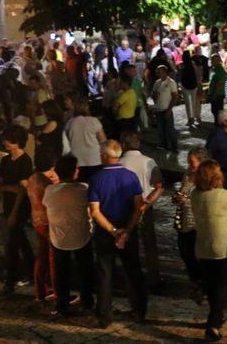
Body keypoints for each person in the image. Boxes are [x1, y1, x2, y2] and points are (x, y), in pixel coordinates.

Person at [87, 139, 147, 328]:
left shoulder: (96, 179)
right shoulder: (130, 177)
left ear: (105, 156)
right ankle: (139, 309)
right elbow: (138, 208)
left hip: (106, 231)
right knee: (133, 269)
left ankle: (104, 314)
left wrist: (113, 231)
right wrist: (127, 230)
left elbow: (95, 211)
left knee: (105, 272)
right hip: (127, 229)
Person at [191, 159, 227, 342]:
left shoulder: (195, 195)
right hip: (222, 244)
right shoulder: (225, 195)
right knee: (221, 285)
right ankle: (212, 325)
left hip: (202, 245)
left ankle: (217, 317)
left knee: (211, 284)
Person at [43, 154, 95, 317]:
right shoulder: (83, 189)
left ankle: (62, 304)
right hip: (82, 235)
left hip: (59, 237)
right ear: (75, 172)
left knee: (61, 273)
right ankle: (87, 302)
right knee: (85, 270)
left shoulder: (50, 190)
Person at [120, 131, 164, 287]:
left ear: (123, 145)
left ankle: (132, 277)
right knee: (149, 243)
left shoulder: (119, 163)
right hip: (144, 207)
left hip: (125, 208)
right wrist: (147, 202)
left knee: (129, 244)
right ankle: (154, 277)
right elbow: (159, 186)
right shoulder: (149, 162)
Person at [0, 125, 35, 293]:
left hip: (19, 205)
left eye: (8, 139)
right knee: (19, 239)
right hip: (7, 202)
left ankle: (11, 279)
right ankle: (31, 269)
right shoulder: (6, 160)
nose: (5, 142)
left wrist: (13, 212)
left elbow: (22, 189)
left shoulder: (25, 161)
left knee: (14, 241)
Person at [174, 146, 207, 303]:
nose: (189, 164)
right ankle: (196, 281)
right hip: (185, 220)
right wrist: (178, 197)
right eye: (188, 161)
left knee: (198, 255)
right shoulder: (187, 173)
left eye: (192, 162)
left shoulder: (207, 177)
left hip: (198, 222)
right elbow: (182, 190)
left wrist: (185, 199)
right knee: (186, 252)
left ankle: (203, 285)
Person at [26, 147, 59, 302]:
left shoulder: (32, 178)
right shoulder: (48, 183)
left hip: (37, 221)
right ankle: (58, 292)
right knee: (53, 258)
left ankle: (40, 291)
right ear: (52, 165)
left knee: (42, 255)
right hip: (49, 222)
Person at [64, 103, 106, 182]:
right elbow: (103, 140)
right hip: (94, 159)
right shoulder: (94, 121)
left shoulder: (70, 123)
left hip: (77, 160)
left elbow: (68, 139)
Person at [151, 65, 180, 153]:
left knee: (170, 129)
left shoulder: (171, 82)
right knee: (160, 129)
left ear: (165, 72)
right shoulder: (156, 83)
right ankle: (163, 144)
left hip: (166, 109)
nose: (158, 74)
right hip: (158, 109)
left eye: (160, 72)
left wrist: (169, 109)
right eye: (157, 72)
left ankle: (174, 146)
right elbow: (154, 94)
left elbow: (175, 97)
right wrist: (154, 96)